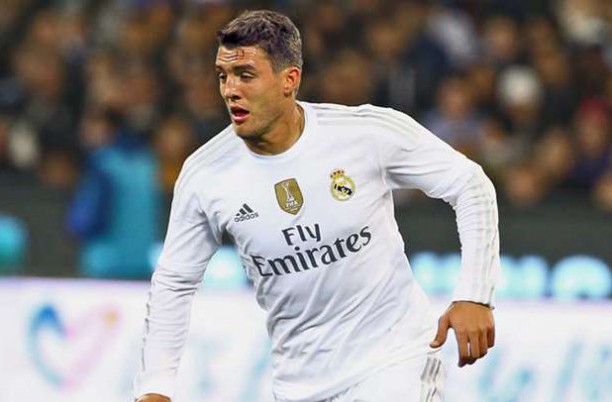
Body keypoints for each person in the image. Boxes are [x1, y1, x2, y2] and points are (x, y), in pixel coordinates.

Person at [134, 10, 500, 402]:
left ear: (289, 79)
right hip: (299, 385)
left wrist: (475, 293)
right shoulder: (206, 174)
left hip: (394, 361)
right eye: (223, 76)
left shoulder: (365, 133)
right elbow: (174, 282)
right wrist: (155, 387)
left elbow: (471, 184)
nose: (230, 90)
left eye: (245, 75)